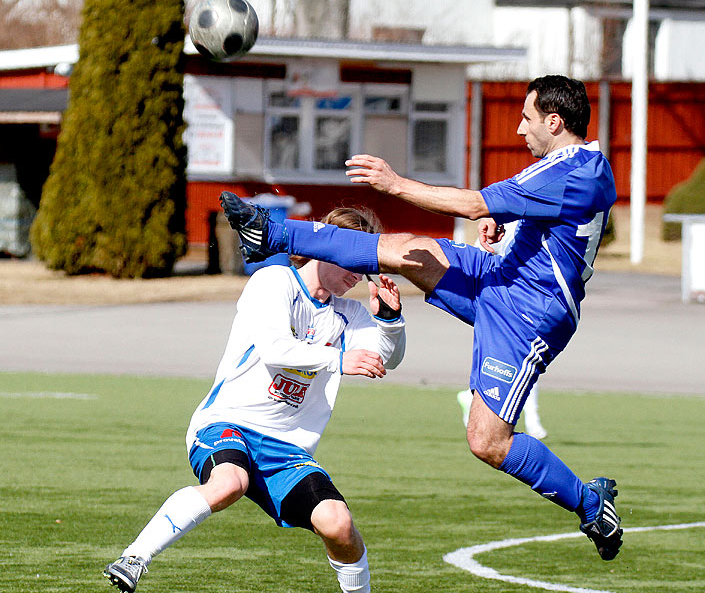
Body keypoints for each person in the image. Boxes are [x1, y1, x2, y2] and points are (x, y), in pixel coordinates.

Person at [220, 75, 624, 562]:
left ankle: (589, 503)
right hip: (499, 275)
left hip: (529, 314)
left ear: (554, 122)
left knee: (487, 441)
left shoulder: (579, 169)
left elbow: (476, 203)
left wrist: (394, 184)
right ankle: (272, 233)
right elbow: (536, 214)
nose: (519, 129)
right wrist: (508, 220)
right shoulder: (567, 165)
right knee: (403, 249)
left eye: (527, 117)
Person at [103, 206, 406, 593]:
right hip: (227, 421)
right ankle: (134, 558)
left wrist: (389, 320)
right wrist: (337, 361)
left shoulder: (348, 313)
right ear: (323, 246)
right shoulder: (274, 282)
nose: (359, 274)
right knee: (229, 484)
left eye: (367, 265)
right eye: (353, 260)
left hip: (288, 447)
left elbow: (389, 358)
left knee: (339, 525)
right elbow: (275, 349)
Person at [457, 220, 547, 440]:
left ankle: (473, 400)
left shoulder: (542, 224)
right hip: (503, 309)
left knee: (522, 364)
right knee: (523, 362)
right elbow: (477, 263)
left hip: (525, 308)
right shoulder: (506, 224)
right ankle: (531, 419)